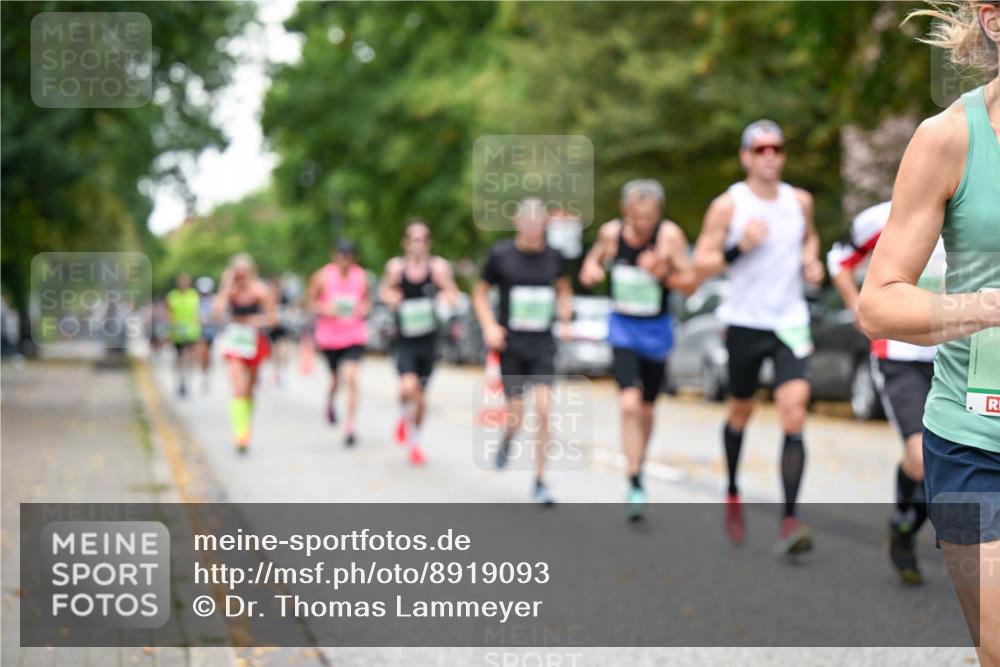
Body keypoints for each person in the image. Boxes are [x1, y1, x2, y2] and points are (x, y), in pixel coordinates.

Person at [859, 3, 999, 662]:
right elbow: (880, 305)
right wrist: (989, 307)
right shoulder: (948, 138)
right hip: (975, 444)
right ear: (993, 18)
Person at [694, 119, 825, 554]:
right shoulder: (728, 205)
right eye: (760, 149)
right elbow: (702, 262)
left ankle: (790, 521)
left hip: (790, 321)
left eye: (776, 149)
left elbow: (810, 239)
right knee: (741, 411)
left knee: (794, 414)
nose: (769, 156)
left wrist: (811, 262)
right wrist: (740, 247)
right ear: (745, 156)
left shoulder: (799, 201)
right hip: (745, 322)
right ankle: (733, 491)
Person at [828, 201, 947, 583]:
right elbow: (838, 259)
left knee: (951, 460)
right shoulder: (885, 217)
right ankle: (902, 523)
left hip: (954, 355)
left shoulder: (974, 209)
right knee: (922, 456)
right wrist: (857, 308)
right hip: (900, 356)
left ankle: (909, 525)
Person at [579, 180, 697, 520]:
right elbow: (590, 266)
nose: (643, 223)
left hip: (656, 331)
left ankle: (638, 464)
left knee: (646, 408)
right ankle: (633, 478)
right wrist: (591, 270)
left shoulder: (669, 237)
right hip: (623, 328)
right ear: (625, 211)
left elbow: (690, 284)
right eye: (636, 216)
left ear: (658, 213)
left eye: (649, 217)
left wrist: (662, 273)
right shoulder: (611, 234)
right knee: (628, 404)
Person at [472, 198, 573, 506]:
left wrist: (566, 318)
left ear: (544, 224)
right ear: (517, 222)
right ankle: (508, 438)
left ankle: (539, 481)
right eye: (527, 222)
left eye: (537, 222)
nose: (532, 228)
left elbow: (564, 289)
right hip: (511, 345)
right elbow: (479, 293)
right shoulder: (501, 255)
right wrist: (490, 326)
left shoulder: (554, 257)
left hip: (542, 343)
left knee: (543, 410)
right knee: (516, 415)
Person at [379, 219, 460, 465]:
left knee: (422, 397)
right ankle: (404, 415)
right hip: (405, 338)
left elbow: (453, 293)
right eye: (414, 239)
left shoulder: (438, 268)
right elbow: (384, 291)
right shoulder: (396, 268)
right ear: (405, 242)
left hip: (428, 339)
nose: (418, 244)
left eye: (423, 239)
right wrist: (392, 298)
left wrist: (445, 298)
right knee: (407, 387)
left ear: (428, 243)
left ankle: (415, 442)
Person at [307, 239, 371, 447]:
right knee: (336, 380)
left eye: (349, 255)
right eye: (341, 254)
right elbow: (309, 303)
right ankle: (331, 400)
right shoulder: (322, 276)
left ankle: (350, 426)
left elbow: (367, 300)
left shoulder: (361, 276)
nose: (345, 259)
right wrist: (326, 309)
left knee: (351, 378)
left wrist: (364, 308)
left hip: (353, 335)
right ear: (334, 255)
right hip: (330, 338)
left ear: (354, 257)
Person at [213, 254, 277, 453]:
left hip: (255, 342)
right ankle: (241, 434)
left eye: (244, 273)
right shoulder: (229, 291)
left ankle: (245, 424)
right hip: (234, 343)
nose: (241, 277)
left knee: (250, 388)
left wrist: (254, 321)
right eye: (237, 273)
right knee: (239, 388)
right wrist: (226, 286)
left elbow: (273, 319)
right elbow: (216, 313)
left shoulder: (261, 291)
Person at [165, 273, 201, 398]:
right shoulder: (173, 296)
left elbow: (197, 313)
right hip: (177, 331)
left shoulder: (194, 295)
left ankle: (188, 381)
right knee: (179, 357)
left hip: (191, 331)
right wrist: (172, 324)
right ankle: (180, 380)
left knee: (189, 357)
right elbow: (168, 312)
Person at [195, 276, 217, 393]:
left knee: (208, 355)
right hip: (200, 331)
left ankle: (206, 375)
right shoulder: (195, 300)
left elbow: (217, 315)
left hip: (211, 331)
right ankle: (203, 375)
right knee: (202, 353)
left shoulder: (214, 300)